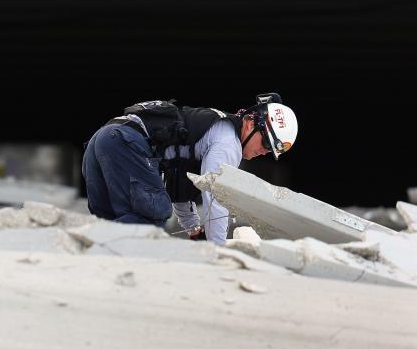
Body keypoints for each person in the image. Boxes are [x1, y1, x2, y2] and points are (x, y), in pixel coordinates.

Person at [82, 93, 298, 245]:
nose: (264, 152)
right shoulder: (229, 144)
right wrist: (217, 252)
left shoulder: (210, 131)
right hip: (126, 143)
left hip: (105, 138)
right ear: (251, 123)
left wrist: (194, 229)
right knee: (151, 216)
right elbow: (216, 198)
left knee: (109, 220)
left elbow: (180, 186)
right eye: (267, 144)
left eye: (271, 152)